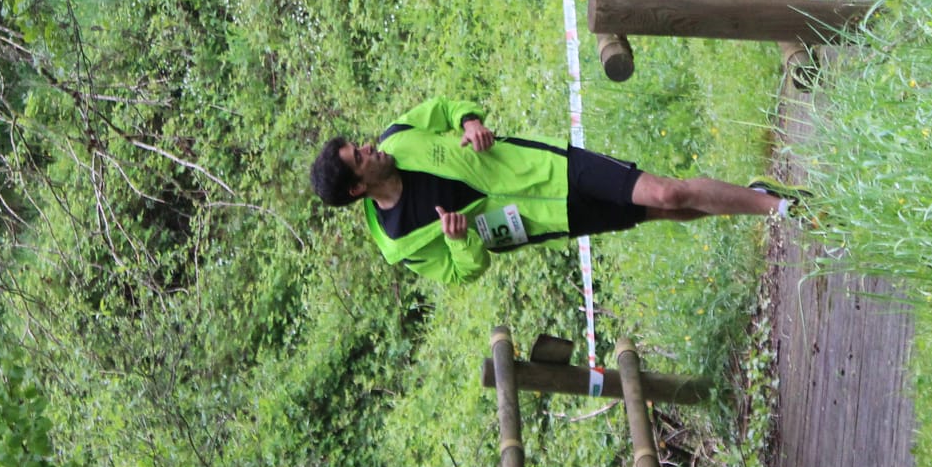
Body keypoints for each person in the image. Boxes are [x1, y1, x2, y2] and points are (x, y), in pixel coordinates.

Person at [308, 96, 803, 286]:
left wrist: (470, 120)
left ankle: (781, 206)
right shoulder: (401, 243)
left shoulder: (399, 136)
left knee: (666, 194)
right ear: (357, 190)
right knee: (662, 212)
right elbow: (464, 274)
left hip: (547, 168)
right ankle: (752, 200)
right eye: (360, 157)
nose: (370, 147)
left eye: (360, 144)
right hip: (545, 220)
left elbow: (445, 106)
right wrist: (461, 242)